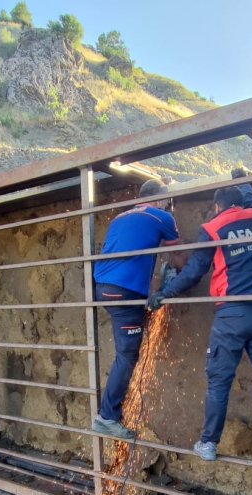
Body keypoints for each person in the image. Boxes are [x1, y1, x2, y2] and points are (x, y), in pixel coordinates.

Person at [148, 174, 252, 467]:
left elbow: (195, 271)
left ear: (217, 206)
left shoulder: (213, 227)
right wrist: (246, 181)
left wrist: (164, 293)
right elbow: (249, 199)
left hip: (232, 316)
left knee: (219, 382)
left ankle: (209, 443)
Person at [91, 178, 180, 440]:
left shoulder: (121, 216)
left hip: (105, 288)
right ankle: (107, 417)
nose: (167, 202)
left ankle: (109, 414)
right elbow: (180, 256)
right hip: (124, 292)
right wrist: (177, 279)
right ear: (160, 197)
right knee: (128, 355)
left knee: (125, 351)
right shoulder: (162, 216)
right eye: (166, 197)